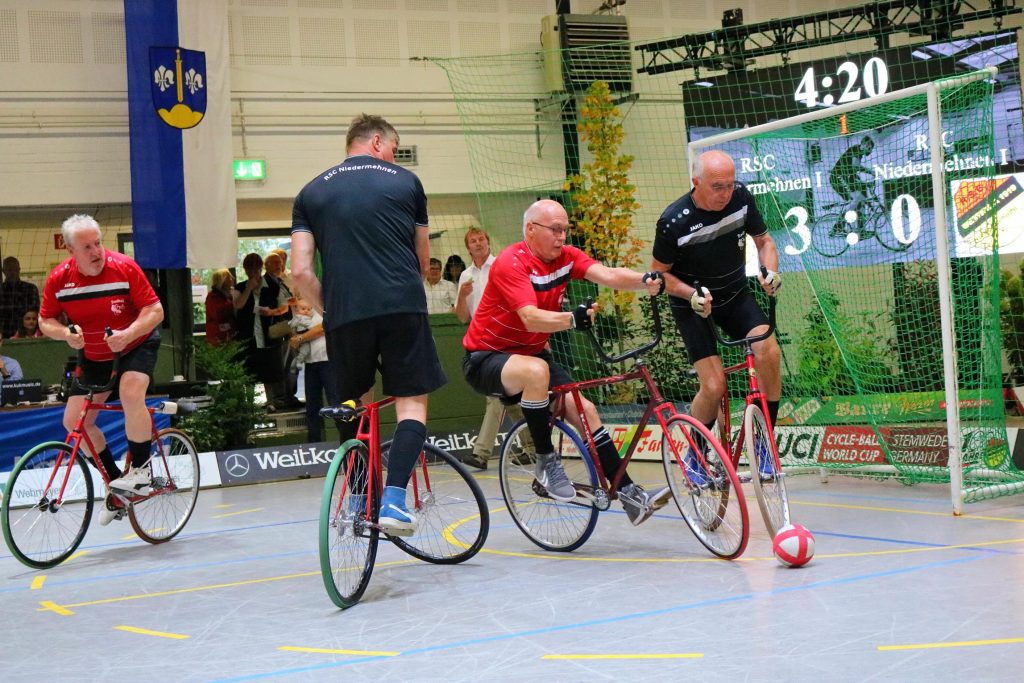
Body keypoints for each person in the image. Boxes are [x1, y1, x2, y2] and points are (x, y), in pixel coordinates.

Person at [462, 199, 669, 526]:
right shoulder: (511, 262)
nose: (561, 236)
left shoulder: (566, 257)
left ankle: (630, 494)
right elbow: (530, 318)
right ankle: (546, 461)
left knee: (585, 410)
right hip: (486, 358)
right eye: (554, 230)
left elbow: (609, 274)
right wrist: (571, 319)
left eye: (565, 230)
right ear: (531, 229)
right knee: (536, 371)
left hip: (532, 356)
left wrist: (644, 280)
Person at [291, 113, 447, 535]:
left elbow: (300, 272)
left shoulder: (310, 192)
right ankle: (394, 501)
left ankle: (360, 495)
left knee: (353, 404)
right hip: (401, 305)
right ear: (377, 141)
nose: (394, 157)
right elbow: (421, 259)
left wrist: (332, 310)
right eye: (394, 149)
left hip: (346, 315)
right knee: (411, 404)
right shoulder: (406, 183)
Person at [649, 150, 782, 482]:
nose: (726, 193)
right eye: (717, 186)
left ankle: (766, 443)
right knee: (714, 384)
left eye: (730, 185)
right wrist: (691, 295)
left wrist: (771, 271)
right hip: (692, 303)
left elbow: (764, 241)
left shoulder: (741, 198)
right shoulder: (673, 221)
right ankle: (694, 452)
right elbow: (658, 276)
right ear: (696, 183)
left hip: (735, 294)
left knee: (769, 352)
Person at [38, 214, 164, 525]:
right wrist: (65, 334)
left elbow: (155, 310)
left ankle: (141, 470)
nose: (96, 251)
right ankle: (114, 486)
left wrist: (128, 335)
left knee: (130, 392)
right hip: (94, 353)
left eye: (98, 243)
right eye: (87, 247)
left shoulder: (123, 267)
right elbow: (46, 320)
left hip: (135, 344)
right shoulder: (59, 279)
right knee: (74, 421)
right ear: (70, 250)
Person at [453, 227, 520, 471]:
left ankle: (480, 454)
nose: (478, 243)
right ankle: (532, 446)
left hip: (505, 337)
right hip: (481, 341)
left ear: (488, 243)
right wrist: (462, 296)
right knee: (508, 397)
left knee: (494, 395)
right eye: (473, 241)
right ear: (468, 247)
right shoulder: (465, 276)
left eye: (482, 239)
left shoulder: (502, 266)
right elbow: (462, 316)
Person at [288, 298, 339, 442]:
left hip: (328, 359)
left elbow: (322, 328)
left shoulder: (324, 304)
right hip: (311, 361)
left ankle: (348, 440)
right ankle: (314, 443)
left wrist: (300, 338)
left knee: (335, 402)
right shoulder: (303, 307)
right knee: (312, 407)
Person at [829, 135, 876, 219]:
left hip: (845, 177)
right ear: (865, 144)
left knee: (862, 194)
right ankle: (839, 225)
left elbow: (854, 169)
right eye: (869, 147)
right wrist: (870, 172)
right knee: (855, 200)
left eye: (871, 148)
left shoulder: (859, 152)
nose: (870, 149)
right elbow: (856, 167)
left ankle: (860, 226)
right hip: (838, 178)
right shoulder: (856, 150)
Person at [1, 256, 41, 339]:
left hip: (27, 337)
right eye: (9, 270)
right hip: (3, 338)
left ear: (19, 270)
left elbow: (34, 314)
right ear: (3, 271)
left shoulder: (31, 289)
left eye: (15, 269)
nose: (12, 272)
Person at [204, 269, 237, 346]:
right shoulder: (212, 296)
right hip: (217, 337)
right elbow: (217, 314)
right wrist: (233, 303)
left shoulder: (228, 295)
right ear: (222, 281)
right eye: (229, 277)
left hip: (228, 335)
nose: (232, 279)